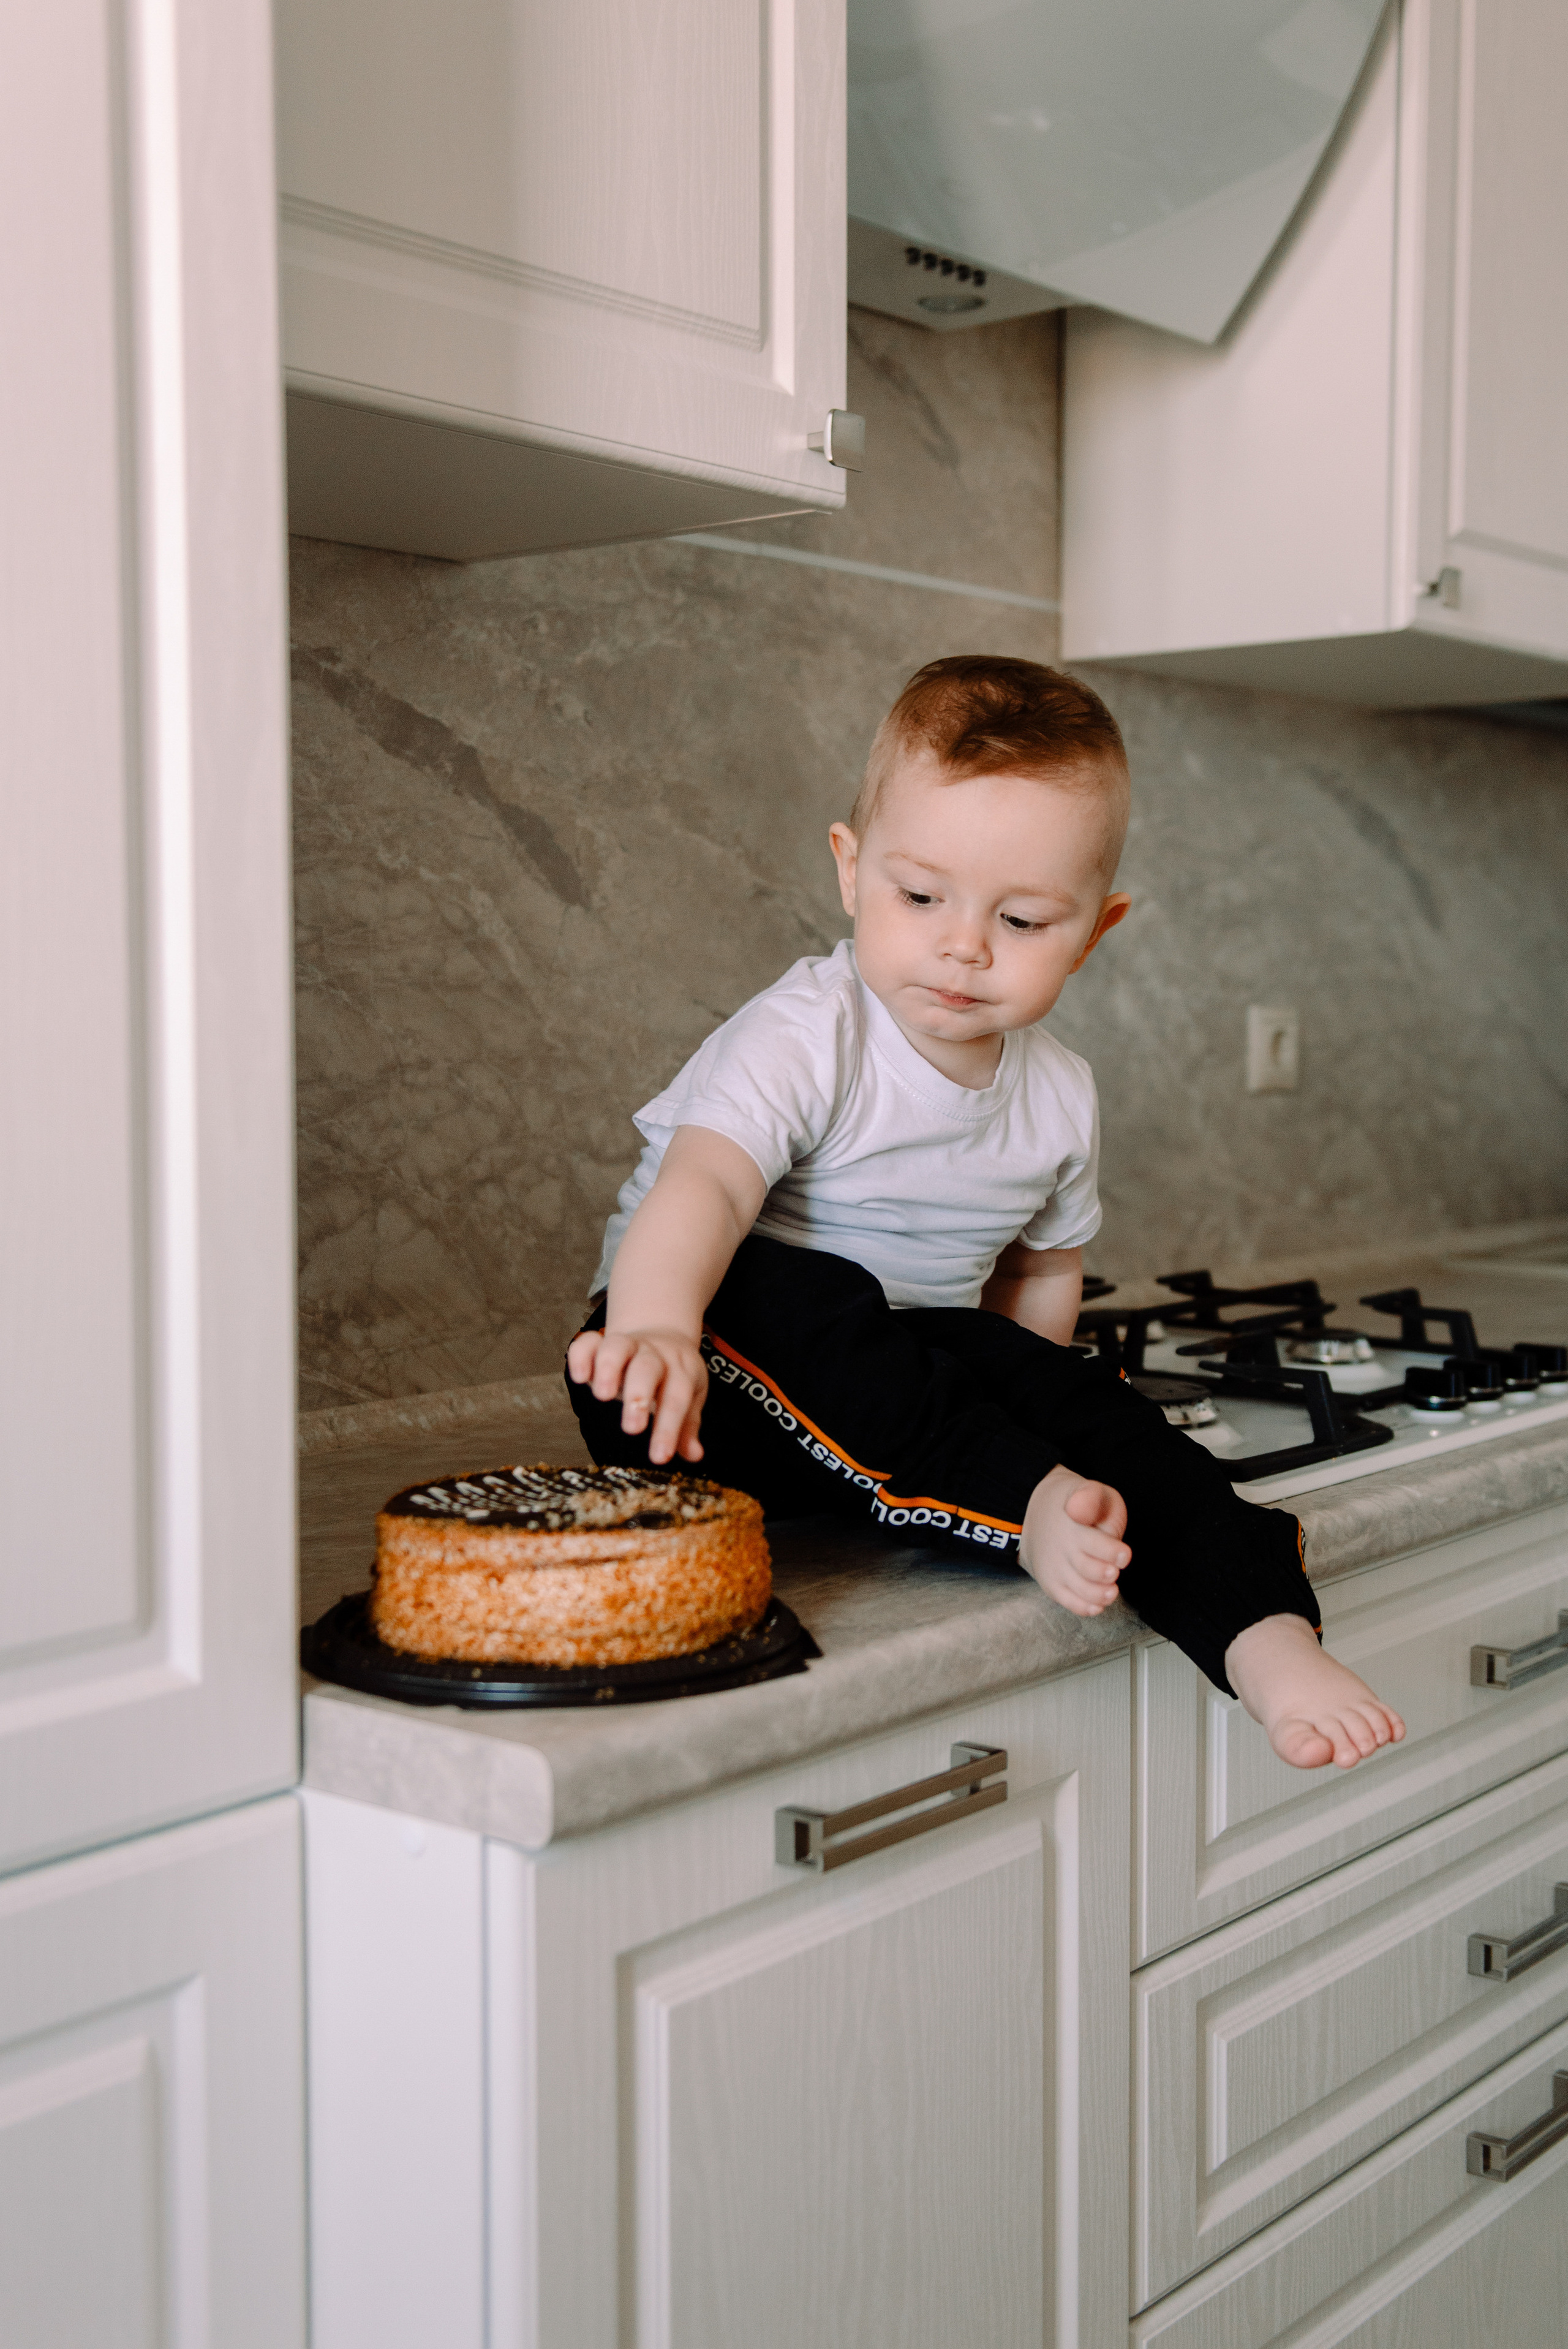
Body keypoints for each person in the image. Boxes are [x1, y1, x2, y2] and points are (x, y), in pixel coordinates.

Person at [565, 656, 1405, 1771]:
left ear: (1094, 931)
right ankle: (1023, 1498)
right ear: (849, 870)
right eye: (921, 897)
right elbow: (706, 1187)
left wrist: (1043, 1403)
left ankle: (1263, 1632)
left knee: (1102, 1409)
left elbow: (1043, 1275)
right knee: (805, 1289)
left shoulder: (1059, 1094)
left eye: (1020, 918)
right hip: (692, 1378)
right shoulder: (810, 1031)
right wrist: (655, 1325)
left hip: (907, 1385)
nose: (964, 945)